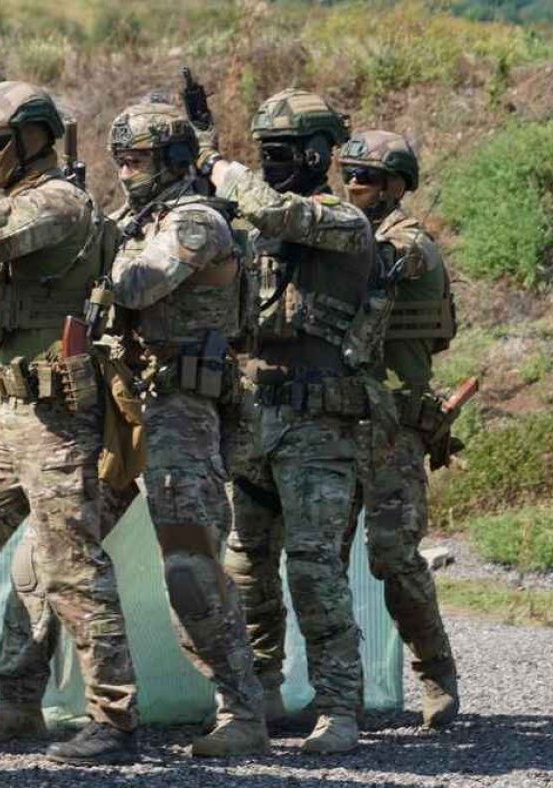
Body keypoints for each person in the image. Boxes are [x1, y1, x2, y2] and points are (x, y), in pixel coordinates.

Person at [0, 80, 141, 765]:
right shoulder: (22, 200)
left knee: (70, 565)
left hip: (59, 418)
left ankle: (113, 717)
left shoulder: (58, 204)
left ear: (34, 138)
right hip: (12, 412)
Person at [200, 88, 385, 754]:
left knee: (312, 568)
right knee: (246, 566)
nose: (270, 162)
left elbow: (278, 210)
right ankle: (258, 697)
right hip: (254, 417)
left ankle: (338, 707)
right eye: (263, 152)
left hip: (317, 425)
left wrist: (227, 173)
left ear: (315, 154)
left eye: (280, 151)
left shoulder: (342, 220)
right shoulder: (257, 224)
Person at [103, 101, 269, 757]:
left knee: (190, 566)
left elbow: (137, 286)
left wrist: (91, 256)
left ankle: (243, 710)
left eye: (136, 160)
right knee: (54, 553)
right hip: (123, 402)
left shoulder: (195, 221)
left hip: (182, 409)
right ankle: (22, 698)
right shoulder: (136, 221)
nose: (124, 173)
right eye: (119, 160)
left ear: (173, 160)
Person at [337, 128, 460, 728]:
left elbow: (374, 264)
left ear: (395, 186)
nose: (353, 186)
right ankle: (339, 690)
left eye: (365, 177)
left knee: (393, 557)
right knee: (322, 561)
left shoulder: (409, 244)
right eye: (347, 175)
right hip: (337, 424)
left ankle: (436, 675)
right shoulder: (343, 233)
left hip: (392, 429)